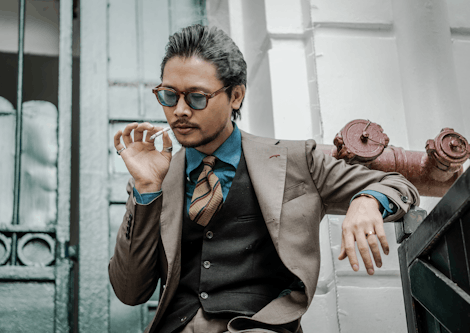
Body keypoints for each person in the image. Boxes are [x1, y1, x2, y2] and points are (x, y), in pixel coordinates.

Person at [109, 24, 419, 333]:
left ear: (236, 96)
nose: (179, 111)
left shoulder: (296, 161)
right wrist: (147, 189)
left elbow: (400, 184)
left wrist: (367, 201)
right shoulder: (156, 181)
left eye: (197, 98)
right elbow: (129, 290)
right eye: (168, 96)